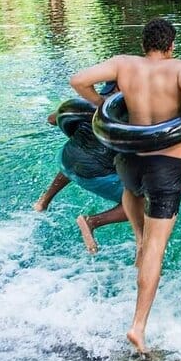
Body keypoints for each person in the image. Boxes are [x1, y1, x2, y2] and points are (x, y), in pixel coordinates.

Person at [69, 18, 181, 354]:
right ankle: (138, 327)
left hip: (128, 160)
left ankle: (138, 237)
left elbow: (77, 80)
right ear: (171, 45)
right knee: (155, 251)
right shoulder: (179, 68)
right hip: (164, 165)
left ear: (143, 44)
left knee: (132, 194)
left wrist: (104, 108)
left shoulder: (124, 64)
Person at [34, 82, 127, 254]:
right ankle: (92, 222)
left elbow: (52, 119)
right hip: (96, 173)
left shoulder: (89, 104)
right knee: (142, 201)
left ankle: (43, 202)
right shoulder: (132, 112)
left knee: (78, 153)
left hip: (66, 159)